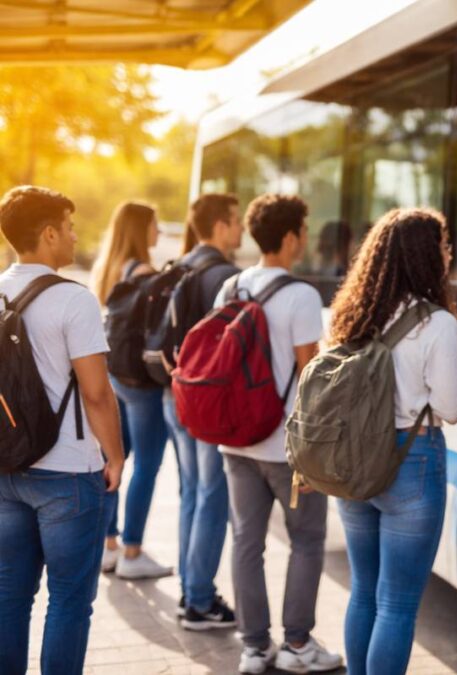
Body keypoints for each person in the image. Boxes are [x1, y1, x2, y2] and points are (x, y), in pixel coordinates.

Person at [332, 207, 457, 675]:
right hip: (412, 461)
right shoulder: (437, 323)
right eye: (444, 246)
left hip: (354, 461)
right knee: (397, 604)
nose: (449, 254)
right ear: (425, 256)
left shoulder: (354, 314)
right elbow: (452, 407)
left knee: (364, 592)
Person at [0, 186, 125, 674]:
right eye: (70, 228)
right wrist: (115, 456)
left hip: (6, 467)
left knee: (9, 594)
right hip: (68, 472)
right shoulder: (74, 299)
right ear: (49, 234)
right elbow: (96, 393)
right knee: (70, 600)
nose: (75, 237)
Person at [216, 194, 343, 674]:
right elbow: (310, 375)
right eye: (304, 231)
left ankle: (253, 648)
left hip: (235, 439)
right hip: (286, 445)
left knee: (246, 541)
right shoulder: (301, 295)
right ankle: (296, 644)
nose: (306, 239)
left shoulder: (230, 287)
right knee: (306, 539)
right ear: (290, 237)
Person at [164, 194, 243, 629]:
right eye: (236, 221)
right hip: (207, 403)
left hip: (174, 394)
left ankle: (190, 590)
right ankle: (198, 599)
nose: (242, 229)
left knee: (193, 493)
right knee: (212, 497)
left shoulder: (179, 266)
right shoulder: (225, 276)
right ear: (219, 226)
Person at [89, 201, 173, 579]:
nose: (159, 231)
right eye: (155, 224)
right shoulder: (147, 275)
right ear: (142, 229)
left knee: (114, 458)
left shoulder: (110, 269)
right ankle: (133, 551)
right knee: (147, 466)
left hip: (115, 376)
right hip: (142, 383)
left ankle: (109, 546)